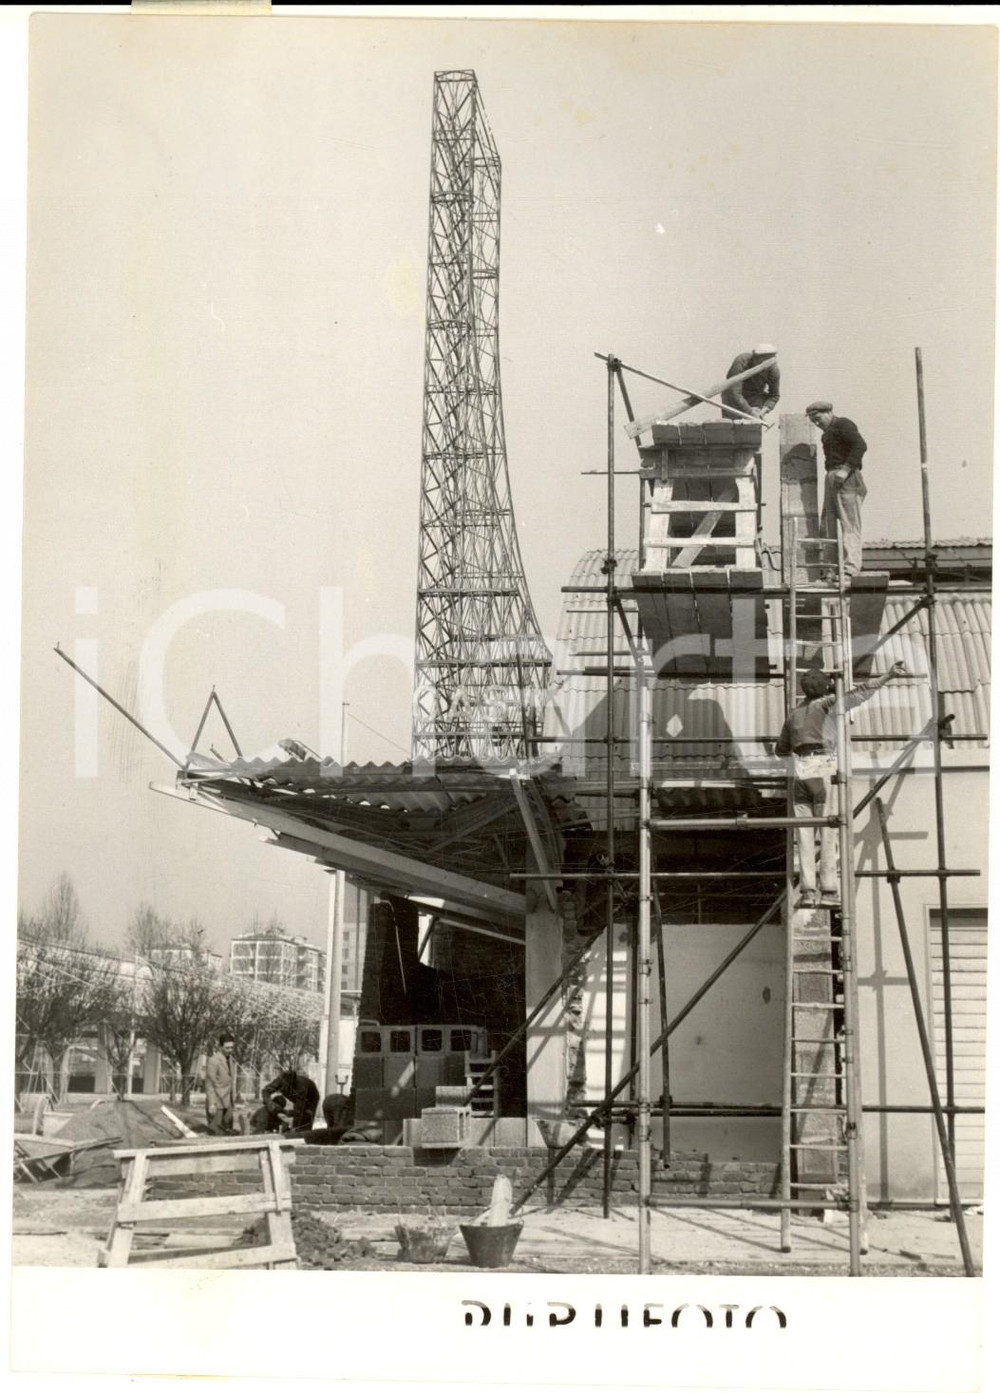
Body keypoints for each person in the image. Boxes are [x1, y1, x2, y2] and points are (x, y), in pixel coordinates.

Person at [775, 662, 907, 906]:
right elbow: (862, 692)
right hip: (822, 766)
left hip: (799, 772)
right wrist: (888, 675)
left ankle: (807, 891)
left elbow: (780, 750)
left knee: (804, 833)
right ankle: (828, 889)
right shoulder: (828, 705)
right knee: (828, 828)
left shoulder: (792, 714)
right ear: (826, 687)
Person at [805, 400, 868, 580]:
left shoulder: (843, 424)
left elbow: (860, 446)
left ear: (829, 412)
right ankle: (831, 570)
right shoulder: (826, 434)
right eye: (813, 421)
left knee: (849, 523)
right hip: (832, 476)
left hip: (847, 477)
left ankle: (850, 568)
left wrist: (846, 470)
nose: (817, 423)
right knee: (828, 525)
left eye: (818, 418)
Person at [721, 344, 780, 420]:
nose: (757, 361)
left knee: (753, 425)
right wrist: (750, 412)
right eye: (756, 358)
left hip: (754, 398)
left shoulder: (773, 369)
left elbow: (774, 395)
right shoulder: (741, 361)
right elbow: (734, 392)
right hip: (732, 398)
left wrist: (764, 411)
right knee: (732, 425)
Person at [204, 1035, 236, 1134]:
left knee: (229, 1132)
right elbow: (209, 1084)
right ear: (220, 1047)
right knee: (216, 1133)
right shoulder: (213, 1061)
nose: (230, 1050)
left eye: (232, 1047)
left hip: (228, 1102)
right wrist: (212, 1104)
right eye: (227, 1048)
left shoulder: (230, 1059)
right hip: (217, 1102)